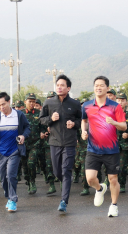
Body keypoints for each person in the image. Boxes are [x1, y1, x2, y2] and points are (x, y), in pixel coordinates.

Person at [81, 76, 127, 217]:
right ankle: (100, 189)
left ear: (107, 88)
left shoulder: (115, 106)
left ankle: (113, 205)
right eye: (96, 85)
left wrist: (113, 122)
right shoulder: (86, 106)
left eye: (102, 85)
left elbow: (124, 126)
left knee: (113, 179)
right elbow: (84, 120)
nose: (98, 87)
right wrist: (83, 130)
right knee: (90, 179)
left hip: (111, 150)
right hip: (93, 149)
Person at [39, 75, 82, 213]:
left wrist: (74, 124)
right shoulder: (49, 103)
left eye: (62, 85)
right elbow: (41, 119)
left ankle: (64, 201)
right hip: (54, 142)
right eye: (58, 85)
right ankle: (64, 184)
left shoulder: (75, 104)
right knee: (57, 171)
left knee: (66, 171)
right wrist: (50, 119)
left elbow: (81, 120)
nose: (59, 87)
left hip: (69, 142)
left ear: (68, 88)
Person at [0, 92, 30, 212]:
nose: (1, 107)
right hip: (0, 152)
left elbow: (27, 127)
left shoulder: (19, 115)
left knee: (11, 175)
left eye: (3, 104)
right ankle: (9, 197)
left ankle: (13, 199)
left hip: (14, 150)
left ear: (9, 102)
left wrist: (23, 136)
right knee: (3, 178)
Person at [116, 92, 128, 193]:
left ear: (126, 102)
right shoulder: (111, 114)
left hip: (125, 145)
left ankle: (122, 184)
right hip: (113, 144)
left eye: (123, 100)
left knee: (122, 166)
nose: (121, 102)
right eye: (119, 100)